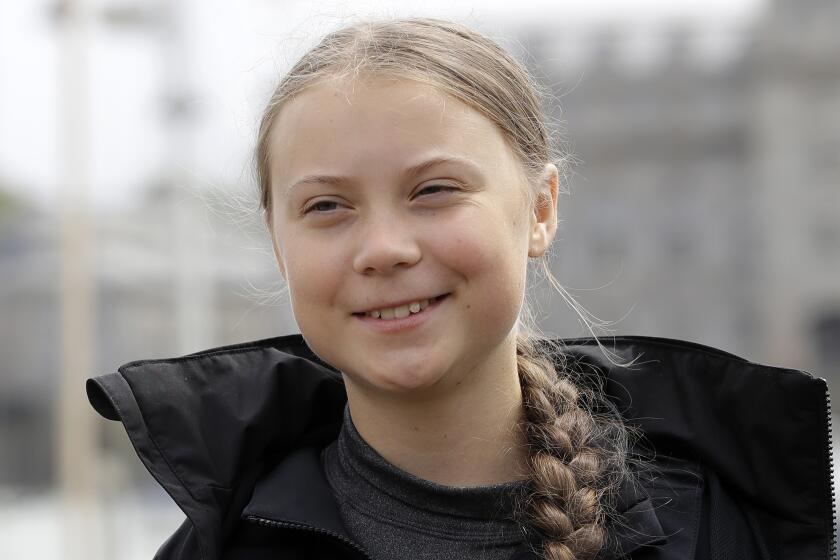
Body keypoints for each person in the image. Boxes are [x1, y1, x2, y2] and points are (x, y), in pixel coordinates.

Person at [86, 17, 834, 560]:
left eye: (434, 190)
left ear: (540, 210)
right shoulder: (215, 549)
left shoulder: (718, 532)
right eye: (326, 206)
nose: (383, 248)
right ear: (278, 244)